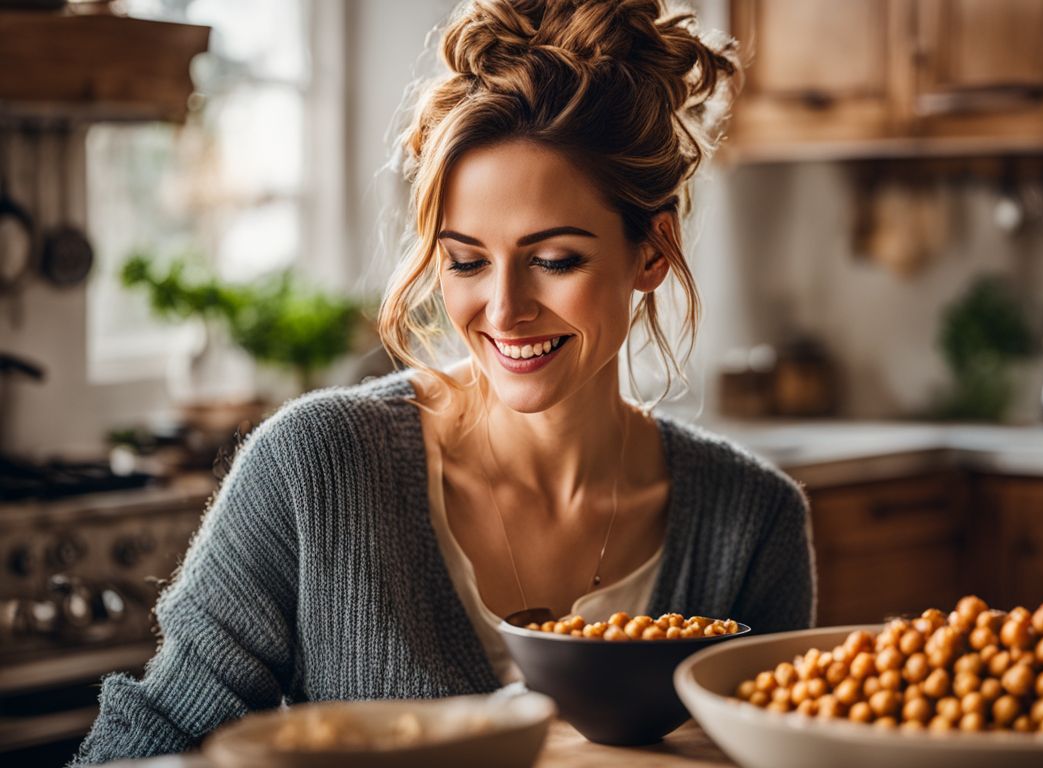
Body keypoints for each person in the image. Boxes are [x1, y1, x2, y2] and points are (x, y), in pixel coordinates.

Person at [72, 0, 814, 763]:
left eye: (555, 259)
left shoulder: (751, 524)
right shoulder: (316, 469)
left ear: (653, 252)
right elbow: (138, 750)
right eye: (464, 261)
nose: (504, 310)